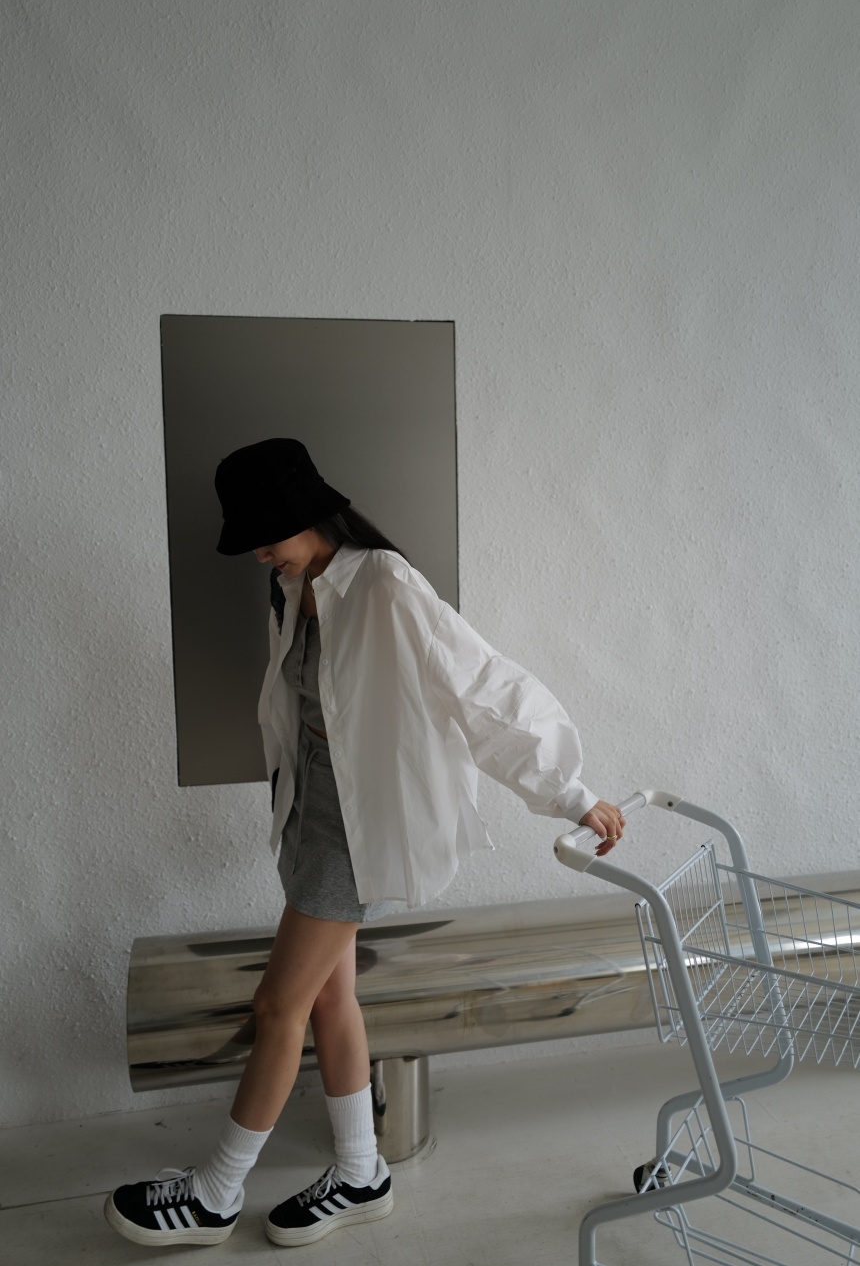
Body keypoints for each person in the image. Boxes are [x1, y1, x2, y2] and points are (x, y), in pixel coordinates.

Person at [104, 438, 626, 1249]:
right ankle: (360, 1171)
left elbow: (482, 684)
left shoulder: (381, 582)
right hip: (311, 811)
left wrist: (570, 793)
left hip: (354, 826)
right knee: (326, 998)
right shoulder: (293, 588)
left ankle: (214, 1192)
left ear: (309, 514)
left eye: (266, 535)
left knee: (278, 1004)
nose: (259, 553)